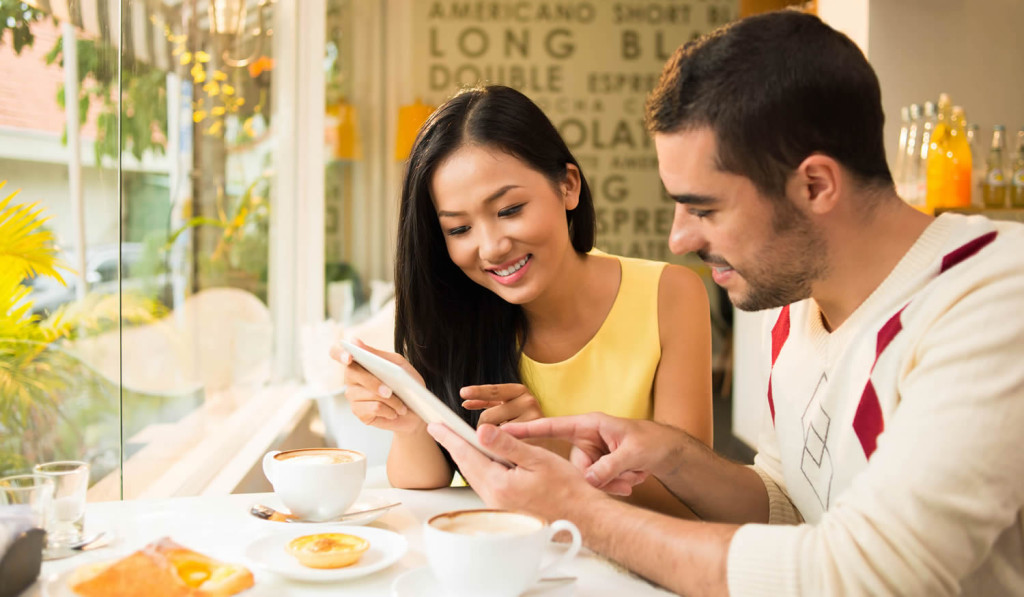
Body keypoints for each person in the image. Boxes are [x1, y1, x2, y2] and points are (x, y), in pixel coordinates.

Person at [428, 10, 1024, 597]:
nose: (678, 240)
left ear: (814, 185)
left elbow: (860, 576)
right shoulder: (799, 301)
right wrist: (673, 456)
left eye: (704, 208)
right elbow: (793, 503)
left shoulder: (993, 297)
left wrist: (580, 511)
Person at [332, 85, 713, 516]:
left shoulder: (670, 296)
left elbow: (695, 500)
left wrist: (556, 456)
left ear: (568, 186)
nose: (491, 247)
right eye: (459, 230)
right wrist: (410, 422)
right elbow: (428, 484)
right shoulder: (457, 315)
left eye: (510, 209)